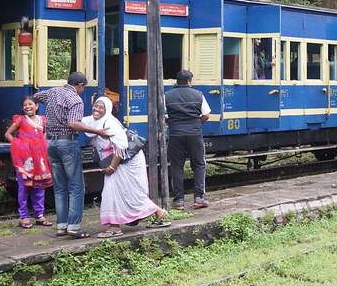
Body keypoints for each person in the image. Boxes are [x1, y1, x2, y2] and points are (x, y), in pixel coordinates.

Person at [33, 72, 110, 239]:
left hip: (51, 144)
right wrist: (97, 131)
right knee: (76, 186)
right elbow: (73, 124)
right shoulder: (75, 100)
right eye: (84, 87)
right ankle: (74, 227)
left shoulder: (53, 92)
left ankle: (61, 226)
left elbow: (36, 97)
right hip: (67, 143)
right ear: (81, 85)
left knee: (60, 187)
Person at [84, 97, 169, 237]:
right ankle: (159, 213)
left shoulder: (110, 123)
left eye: (101, 107)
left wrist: (112, 167)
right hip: (121, 161)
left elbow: (121, 147)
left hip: (126, 162)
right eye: (95, 106)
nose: (97, 109)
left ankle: (115, 227)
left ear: (107, 110)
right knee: (126, 192)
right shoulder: (92, 121)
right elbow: (77, 124)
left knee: (116, 192)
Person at [4, 96, 53, 229]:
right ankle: (24, 217)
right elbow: (8, 134)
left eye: (30, 104)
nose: (27, 107)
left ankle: (39, 215)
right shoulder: (20, 120)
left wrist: (44, 146)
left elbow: (45, 135)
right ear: (22, 107)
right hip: (25, 160)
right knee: (24, 188)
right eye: (25, 105)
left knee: (39, 187)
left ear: (37, 106)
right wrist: (18, 145)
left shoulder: (43, 120)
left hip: (39, 159)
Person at [165, 69, 211, 209]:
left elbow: (162, 115)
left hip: (175, 135)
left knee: (176, 166)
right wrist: (196, 123)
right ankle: (199, 198)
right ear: (189, 81)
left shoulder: (167, 95)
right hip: (194, 135)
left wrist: (173, 122)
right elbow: (207, 115)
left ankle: (179, 201)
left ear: (176, 81)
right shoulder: (198, 95)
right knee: (198, 165)